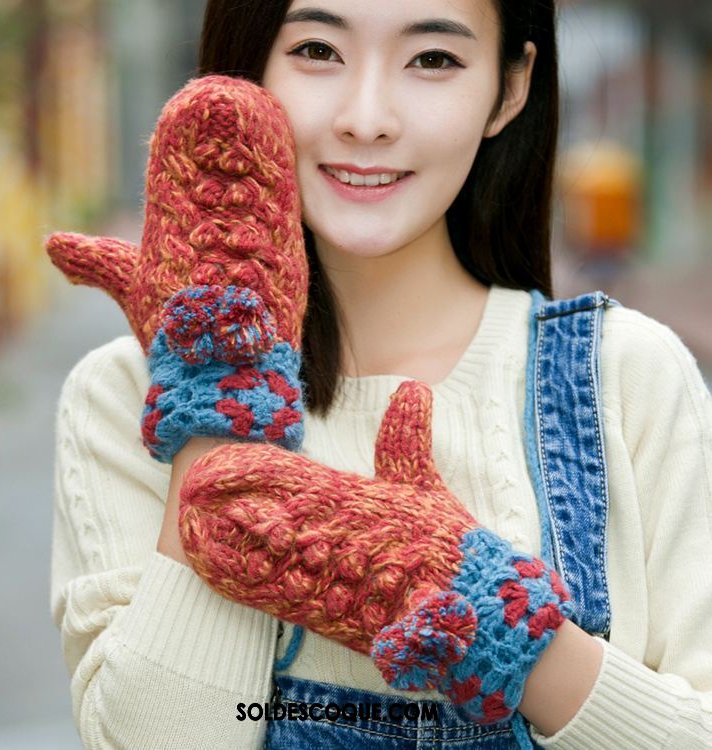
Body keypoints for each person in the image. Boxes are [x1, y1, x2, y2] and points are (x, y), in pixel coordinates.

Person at [49, 0, 712, 748]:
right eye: (317, 50)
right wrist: (218, 399)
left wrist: (496, 629)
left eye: (433, 59)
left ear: (510, 88)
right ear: (246, 69)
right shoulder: (123, 397)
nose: (367, 119)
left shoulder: (625, 378)